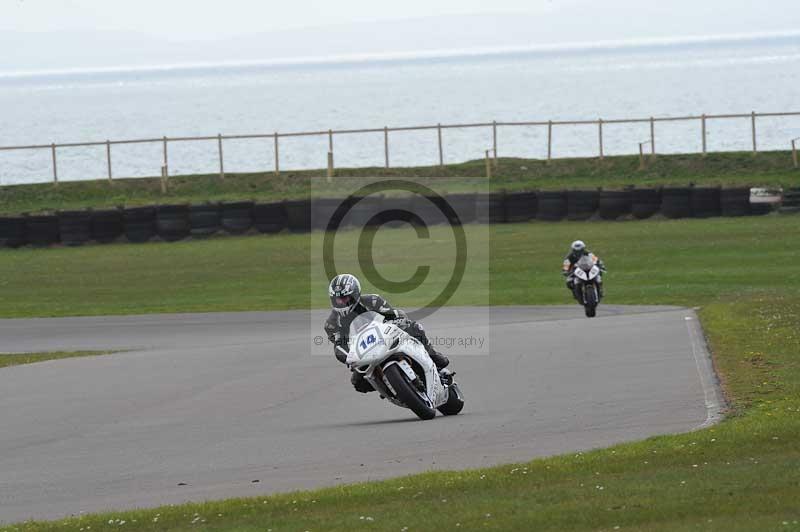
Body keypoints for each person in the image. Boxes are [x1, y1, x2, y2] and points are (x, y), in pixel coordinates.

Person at [324, 274, 450, 394]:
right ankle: (390, 388)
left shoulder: (372, 301)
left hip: (386, 336)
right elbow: (339, 345)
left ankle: (433, 355)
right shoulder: (331, 324)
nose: (340, 302)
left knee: (414, 327)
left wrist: (398, 320)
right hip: (365, 351)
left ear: (355, 294)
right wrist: (349, 358)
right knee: (358, 383)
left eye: (344, 298)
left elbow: (394, 314)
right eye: (337, 299)